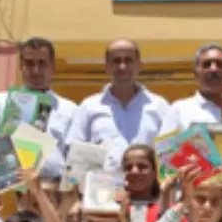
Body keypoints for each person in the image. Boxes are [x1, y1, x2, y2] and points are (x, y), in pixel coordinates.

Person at [0, 37, 78, 180]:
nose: (36, 70)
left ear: (53, 67)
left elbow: (75, 159)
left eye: (42, 63)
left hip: (53, 191)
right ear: (21, 66)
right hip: (10, 187)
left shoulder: (70, 110)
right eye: (29, 63)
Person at [66, 39, 169, 171]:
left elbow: (169, 154)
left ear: (139, 65)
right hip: (102, 188)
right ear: (107, 67)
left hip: (147, 189)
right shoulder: (88, 107)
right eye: (116, 61)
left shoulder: (159, 107)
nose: (122, 67)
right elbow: (75, 153)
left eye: (128, 60)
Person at [159, 43, 222, 154]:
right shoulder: (179, 110)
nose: (213, 69)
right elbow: (163, 155)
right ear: (196, 73)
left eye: (220, 64)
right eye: (207, 64)